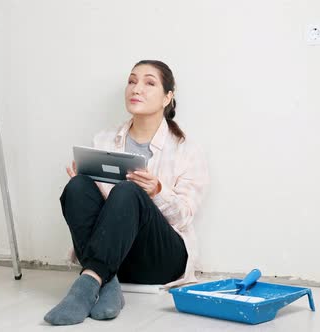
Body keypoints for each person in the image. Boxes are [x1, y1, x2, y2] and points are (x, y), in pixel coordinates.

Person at [44, 60, 209, 325]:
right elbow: (95, 212)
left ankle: (86, 285)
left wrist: (156, 191)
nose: (137, 88)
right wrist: (85, 184)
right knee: (76, 187)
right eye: (132, 81)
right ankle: (105, 281)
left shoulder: (187, 149)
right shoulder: (103, 140)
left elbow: (184, 217)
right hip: (118, 259)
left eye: (149, 82)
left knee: (129, 191)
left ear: (168, 97)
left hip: (162, 259)